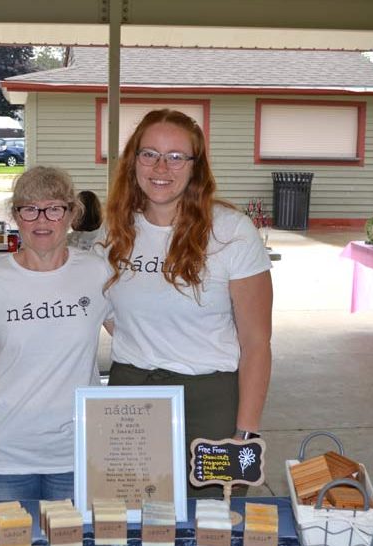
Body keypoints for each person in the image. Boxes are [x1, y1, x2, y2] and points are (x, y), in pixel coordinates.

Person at [98, 109, 273, 497]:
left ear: (196, 167)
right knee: (133, 515)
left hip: (211, 405)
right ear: (133, 161)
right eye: (149, 154)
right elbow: (103, 309)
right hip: (132, 395)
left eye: (176, 156)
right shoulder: (113, 232)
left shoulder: (231, 232)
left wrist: (245, 432)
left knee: (214, 517)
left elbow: (257, 343)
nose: (161, 167)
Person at [0, 166, 111, 500]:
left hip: (75, 452)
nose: (42, 220)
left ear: (72, 214)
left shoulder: (96, 272)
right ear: (15, 215)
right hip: (4, 452)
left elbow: (135, 336)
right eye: (30, 209)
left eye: (54, 209)